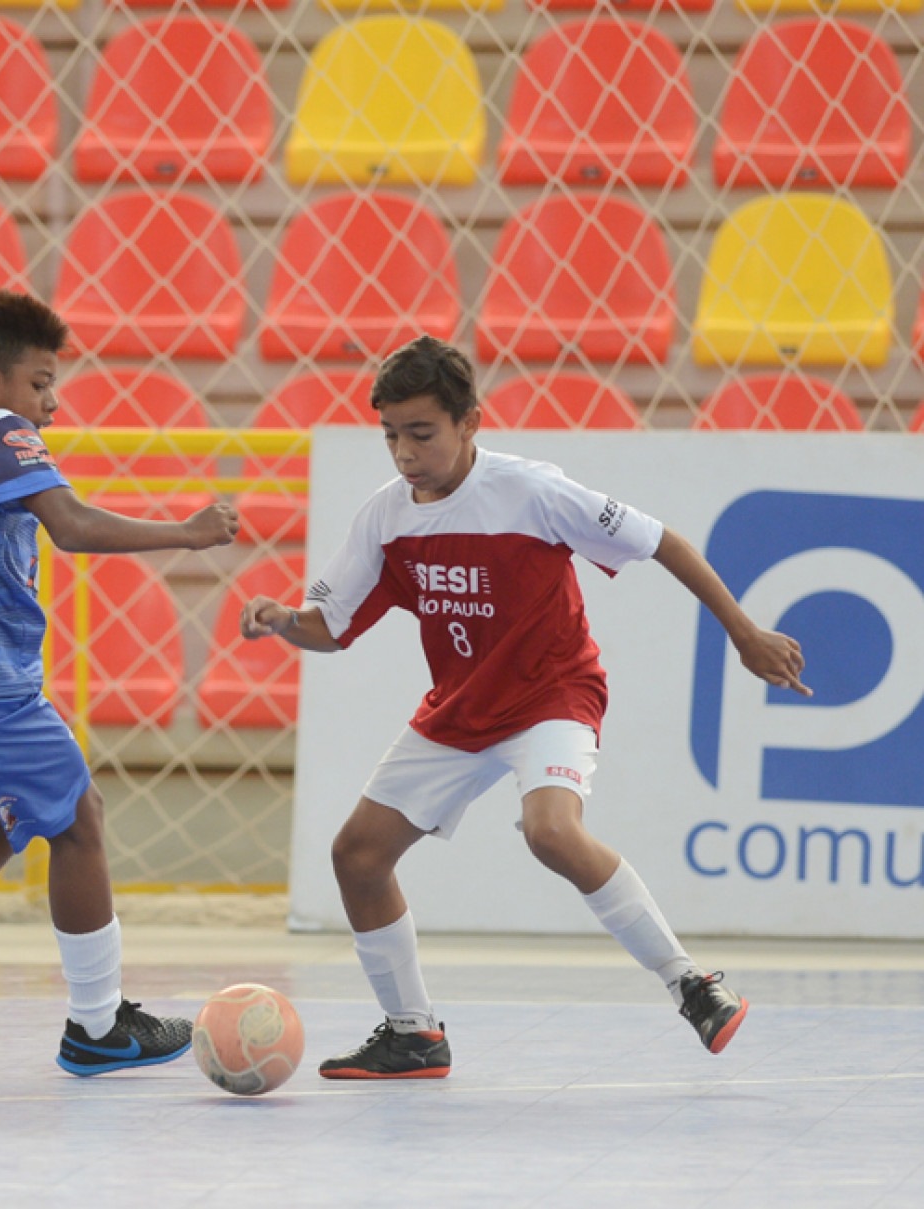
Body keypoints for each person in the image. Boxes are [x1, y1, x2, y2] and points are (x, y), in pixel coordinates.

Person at [241, 335, 808, 1079]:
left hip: (550, 692)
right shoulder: (385, 517)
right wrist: (285, 618)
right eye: (390, 435)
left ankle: (691, 985)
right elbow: (331, 628)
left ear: (469, 421)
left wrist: (743, 632)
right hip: (458, 708)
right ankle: (413, 1034)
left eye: (421, 433)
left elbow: (659, 540)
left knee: (549, 830)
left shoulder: (531, 491)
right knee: (357, 855)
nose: (404, 452)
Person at [0, 290, 240, 1076]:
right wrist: (186, 534)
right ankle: (97, 1024)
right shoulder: (1, 433)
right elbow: (73, 526)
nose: (50, 404)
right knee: (80, 819)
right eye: (40, 383)